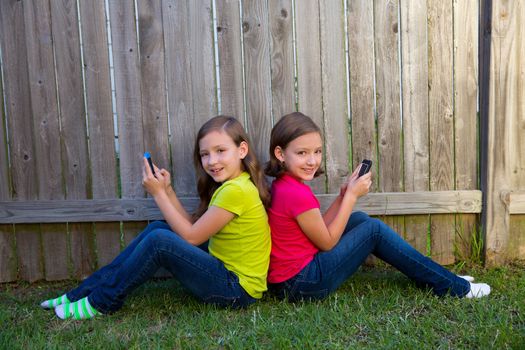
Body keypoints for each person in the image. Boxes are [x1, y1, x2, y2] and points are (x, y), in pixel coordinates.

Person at [40, 116, 272, 319]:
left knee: (160, 241)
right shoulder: (233, 185)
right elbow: (191, 226)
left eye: (221, 151)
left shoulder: (236, 190)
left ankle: (102, 301)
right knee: (160, 229)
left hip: (237, 290)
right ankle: (83, 292)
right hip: (227, 276)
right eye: (205, 154)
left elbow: (191, 238)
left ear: (242, 150)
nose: (212, 161)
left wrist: (158, 194)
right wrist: (168, 191)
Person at [264, 112, 490, 302]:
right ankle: (453, 286)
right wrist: (351, 197)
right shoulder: (295, 194)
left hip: (291, 280)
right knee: (373, 230)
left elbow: (318, 228)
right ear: (280, 153)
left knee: (360, 219)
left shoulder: (286, 186)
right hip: (302, 284)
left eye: (317, 151)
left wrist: (343, 196)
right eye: (302, 153)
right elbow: (326, 242)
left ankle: (440, 276)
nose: (312, 160)